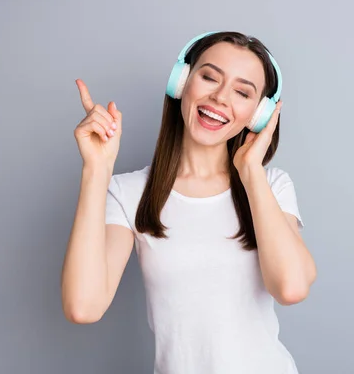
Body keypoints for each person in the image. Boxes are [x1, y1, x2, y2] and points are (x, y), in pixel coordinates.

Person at [61, 31, 317, 374]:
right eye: (209, 77)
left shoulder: (272, 186)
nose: (220, 98)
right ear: (181, 82)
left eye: (242, 92)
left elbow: (291, 287)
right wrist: (97, 169)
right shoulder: (128, 192)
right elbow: (83, 306)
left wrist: (250, 171)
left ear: (258, 114)